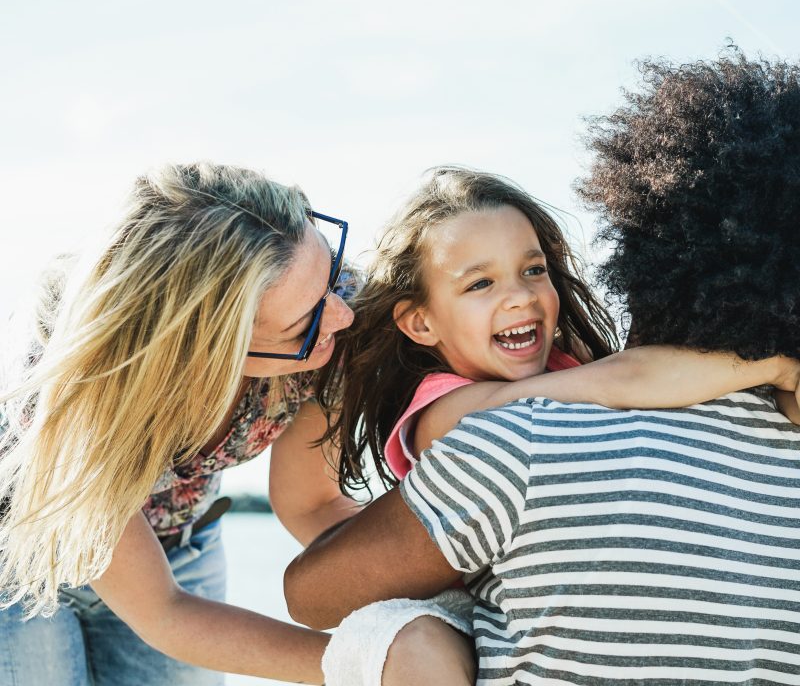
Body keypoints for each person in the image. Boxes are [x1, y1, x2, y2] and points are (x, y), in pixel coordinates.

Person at [285, 52, 800, 685]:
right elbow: (625, 380)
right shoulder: (453, 410)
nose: (522, 296)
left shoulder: (538, 417)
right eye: (479, 283)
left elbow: (308, 593)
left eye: (535, 270)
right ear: (420, 323)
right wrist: (774, 364)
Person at [0, 162, 361, 685]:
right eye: (302, 326)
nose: (342, 316)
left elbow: (315, 502)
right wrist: (372, 663)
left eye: (331, 274)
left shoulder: (331, 307)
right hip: (19, 563)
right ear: (204, 349)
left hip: (181, 545)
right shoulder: (70, 390)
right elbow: (162, 611)